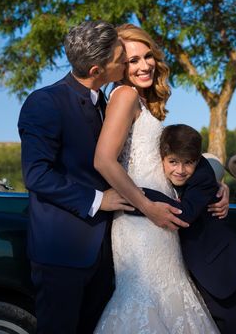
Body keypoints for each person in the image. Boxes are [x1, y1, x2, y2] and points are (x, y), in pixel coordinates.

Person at [93, 23, 227, 334]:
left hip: (160, 220)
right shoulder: (124, 95)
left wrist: (217, 185)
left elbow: (175, 165)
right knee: (144, 300)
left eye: (147, 56)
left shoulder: (144, 102)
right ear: (120, 67)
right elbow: (103, 160)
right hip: (140, 223)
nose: (143, 65)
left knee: (170, 297)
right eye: (132, 61)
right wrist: (147, 206)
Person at [18, 20, 134, 334]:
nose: (125, 61)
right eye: (119, 58)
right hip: (62, 254)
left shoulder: (106, 102)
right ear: (97, 70)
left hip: (108, 252)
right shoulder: (45, 102)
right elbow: (37, 175)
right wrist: (100, 199)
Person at [137, 124, 236, 334]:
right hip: (184, 276)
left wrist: (135, 193)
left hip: (219, 273)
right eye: (173, 162)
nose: (180, 170)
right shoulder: (157, 172)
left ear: (197, 160)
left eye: (188, 163)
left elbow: (186, 213)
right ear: (162, 157)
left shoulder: (203, 176)